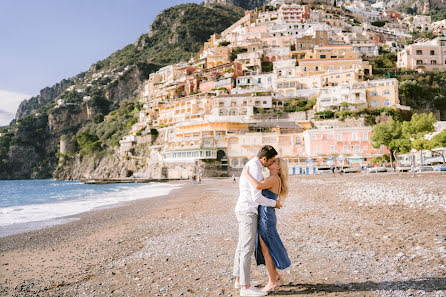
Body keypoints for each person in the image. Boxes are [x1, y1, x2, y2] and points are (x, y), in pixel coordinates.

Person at [233, 145, 282, 297]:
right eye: (271, 160)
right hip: (248, 210)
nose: (271, 163)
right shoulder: (255, 168)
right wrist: (275, 204)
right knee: (246, 248)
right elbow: (257, 197)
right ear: (264, 159)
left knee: (242, 246)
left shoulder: (254, 166)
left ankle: (239, 279)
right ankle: (245, 288)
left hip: (244, 209)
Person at [243, 157, 291, 293]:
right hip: (266, 214)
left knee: (266, 249)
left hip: (266, 216)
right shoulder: (272, 178)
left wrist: (246, 174)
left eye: (274, 162)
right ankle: (275, 276)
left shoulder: (273, 179)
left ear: (278, 167)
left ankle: (272, 282)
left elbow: (257, 186)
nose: (271, 162)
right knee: (266, 247)